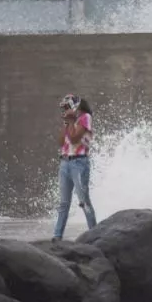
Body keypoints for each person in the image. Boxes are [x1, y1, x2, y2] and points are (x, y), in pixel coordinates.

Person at [54, 94, 98, 240]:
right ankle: (57, 236)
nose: (65, 111)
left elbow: (74, 139)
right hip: (65, 163)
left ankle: (95, 234)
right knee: (63, 203)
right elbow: (61, 142)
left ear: (75, 106)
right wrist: (67, 123)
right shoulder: (70, 122)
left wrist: (71, 121)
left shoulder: (85, 118)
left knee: (83, 201)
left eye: (67, 107)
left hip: (79, 163)